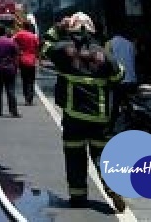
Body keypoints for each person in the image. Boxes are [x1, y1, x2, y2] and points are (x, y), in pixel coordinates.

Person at [43, 12, 127, 212]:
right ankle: (112, 186)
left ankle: (78, 198)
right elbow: (119, 75)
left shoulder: (64, 50)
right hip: (99, 117)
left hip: (74, 117)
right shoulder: (103, 53)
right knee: (102, 155)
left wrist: (57, 28)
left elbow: (45, 46)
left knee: (75, 158)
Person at [0, 24, 20, 117]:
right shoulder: (11, 42)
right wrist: (16, 68)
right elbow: (16, 56)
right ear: (5, 32)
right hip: (9, 69)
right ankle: (13, 111)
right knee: (11, 90)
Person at [14, 19, 40, 105]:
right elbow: (37, 48)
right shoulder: (34, 36)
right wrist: (38, 59)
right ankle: (30, 99)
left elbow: (13, 44)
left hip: (22, 60)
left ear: (23, 26)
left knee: (24, 80)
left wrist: (19, 51)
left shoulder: (19, 34)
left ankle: (26, 98)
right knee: (31, 80)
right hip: (32, 60)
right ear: (30, 27)